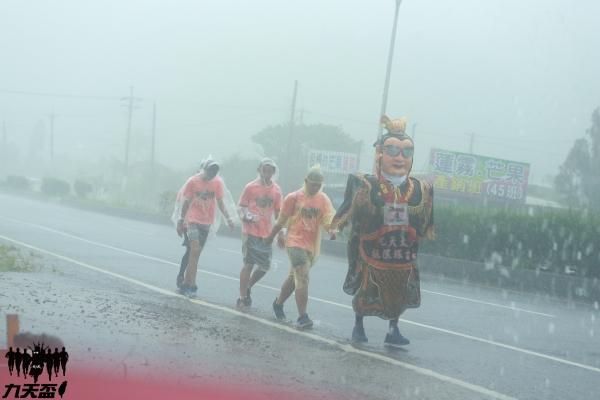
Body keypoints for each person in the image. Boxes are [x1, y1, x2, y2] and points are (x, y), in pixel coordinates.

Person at [331, 115, 434, 347]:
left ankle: (393, 328)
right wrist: (338, 226)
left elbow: (425, 223)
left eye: (406, 152)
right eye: (392, 151)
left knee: (399, 292)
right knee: (367, 288)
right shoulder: (366, 184)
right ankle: (359, 325)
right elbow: (348, 211)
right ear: (380, 154)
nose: (400, 158)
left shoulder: (420, 188)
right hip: (373, 247)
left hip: (402, 251)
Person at [264, 165, 336, 329]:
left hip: (311, 245)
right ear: (306, 181)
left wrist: (331, 230)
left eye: (318, 185)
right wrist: (271, 237)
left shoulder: (323, 199)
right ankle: (303, 316)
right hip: (294, 242)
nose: (315, 187)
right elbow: (281, 220)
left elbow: (327, 219)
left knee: (294, 277)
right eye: (313, 184)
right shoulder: (293, 197)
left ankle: (278, 303)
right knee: (302, 276)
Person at [174, 157, 235, 297]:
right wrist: (181, 220)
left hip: (207, 222)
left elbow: (220, 202)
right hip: (192, 220)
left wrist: (228, 218)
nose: (213, 172)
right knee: (194, 250)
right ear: (205, 169)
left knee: (195, 254)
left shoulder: (217, 183)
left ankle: (185, 283)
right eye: (210, 169)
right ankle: (192, 285)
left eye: (215, 170)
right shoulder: (193, 181)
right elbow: (186, 202)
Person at [236, 158, 283, 308]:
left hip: (267, 234)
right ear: (260, 170)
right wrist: (247, 216)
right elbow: (241, 207)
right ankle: (242, 296)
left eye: (270, 171)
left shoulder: (276, 190)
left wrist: (281, 233)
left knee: (264, 266)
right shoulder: (250, 187)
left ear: (273, 172)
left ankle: (248, 286)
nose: (267, 173)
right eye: (265, 170)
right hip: (250, 231)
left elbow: (279, 213)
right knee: (248, 264)